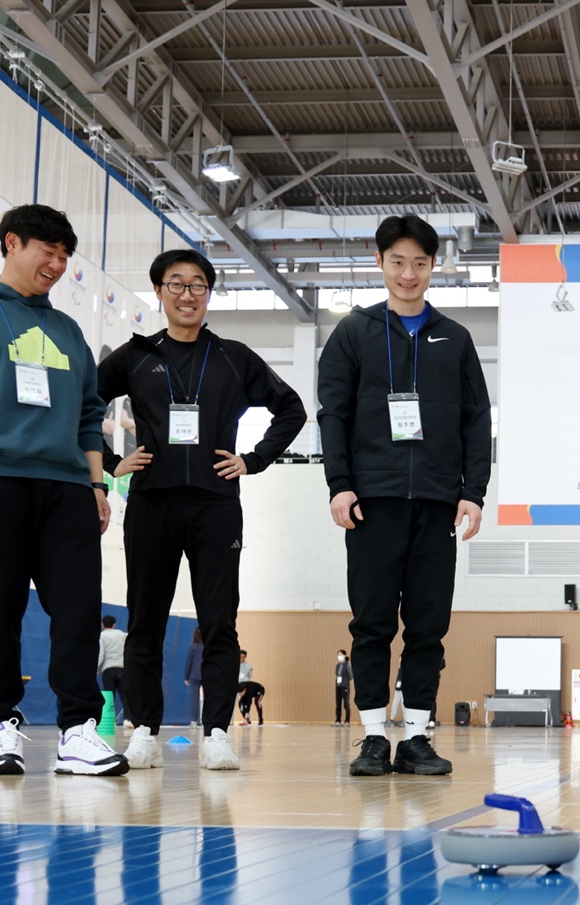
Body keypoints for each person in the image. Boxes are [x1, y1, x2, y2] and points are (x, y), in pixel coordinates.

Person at [0, 203, 123, 777]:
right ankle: (2, 725)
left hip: (66, 488)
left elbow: (90, 414)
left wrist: (95, 483)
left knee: (79, 609)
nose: (57, 265)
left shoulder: (67, 331)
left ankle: (79, 730)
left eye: (65, 257)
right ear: (12, 242)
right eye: (47, 252)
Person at [101, 246, 305, 774]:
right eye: (175, 284)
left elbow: (292, 408)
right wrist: (108, 460)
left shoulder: (234, 357)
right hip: (150, 504)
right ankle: (142, 731)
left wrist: (253, 460)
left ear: (208, 294)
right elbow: (83, 402)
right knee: (144, 622)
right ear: (159, 293)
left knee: (220, 624)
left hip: (216, 507)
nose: (186, 294)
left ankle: (216, 733)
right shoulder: (135, 356)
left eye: (197, 285)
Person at [317, 213, 491, 777]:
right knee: (371, 624)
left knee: (427, 625)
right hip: (373, 500)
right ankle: (372, 738)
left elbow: (476, 420)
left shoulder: (455, 339)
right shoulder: (354, 332)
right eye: (398, 262)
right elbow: (333, 414)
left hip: (438, 502)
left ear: (433, 265)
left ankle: (416, 736)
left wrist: (473, 493)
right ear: (380, 262)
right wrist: (339, 485)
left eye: (419, 262)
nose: (409, 273)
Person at [97, 613, 127, 710]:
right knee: (125, 695)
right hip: (122, 668)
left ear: (102, 624)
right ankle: (129, 719)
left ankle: (110, 720)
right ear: (114, 624)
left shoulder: (102, 636)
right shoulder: (123, 635)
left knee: (109, 696)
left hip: (108, 669)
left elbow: (101, 654)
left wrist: (96, 667)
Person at [236, 651, 265, 725]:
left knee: (256, 702)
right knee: (241, 704)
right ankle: (247, 720)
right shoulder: (235, 663)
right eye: (240, 656)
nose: (242, 658)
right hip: (239, 685)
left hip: (258, 689)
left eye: (243, 657)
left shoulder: (248, 665)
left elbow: (248, 703)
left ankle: (260, 720)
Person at [184, 626, 203, 726]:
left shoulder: (193, 646)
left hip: (194, 675)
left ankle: (194, 721)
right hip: (206, 674)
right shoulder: (207, 646)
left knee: (195, 699)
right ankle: (206, 720)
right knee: (208, 699)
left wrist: (186, 677)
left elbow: (189, 662)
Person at [334, 649, 352, 724]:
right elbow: (336, 673)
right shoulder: (338, 665)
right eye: (338, 655)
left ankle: (347, 720)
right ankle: (338, 720)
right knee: (338, 704)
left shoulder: (348, 665)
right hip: (338, 686)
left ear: (344, 655)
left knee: (346, 704)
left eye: (341, 654)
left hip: (345, 686)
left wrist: (345, 680)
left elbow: (351, 675)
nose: (339, 656)